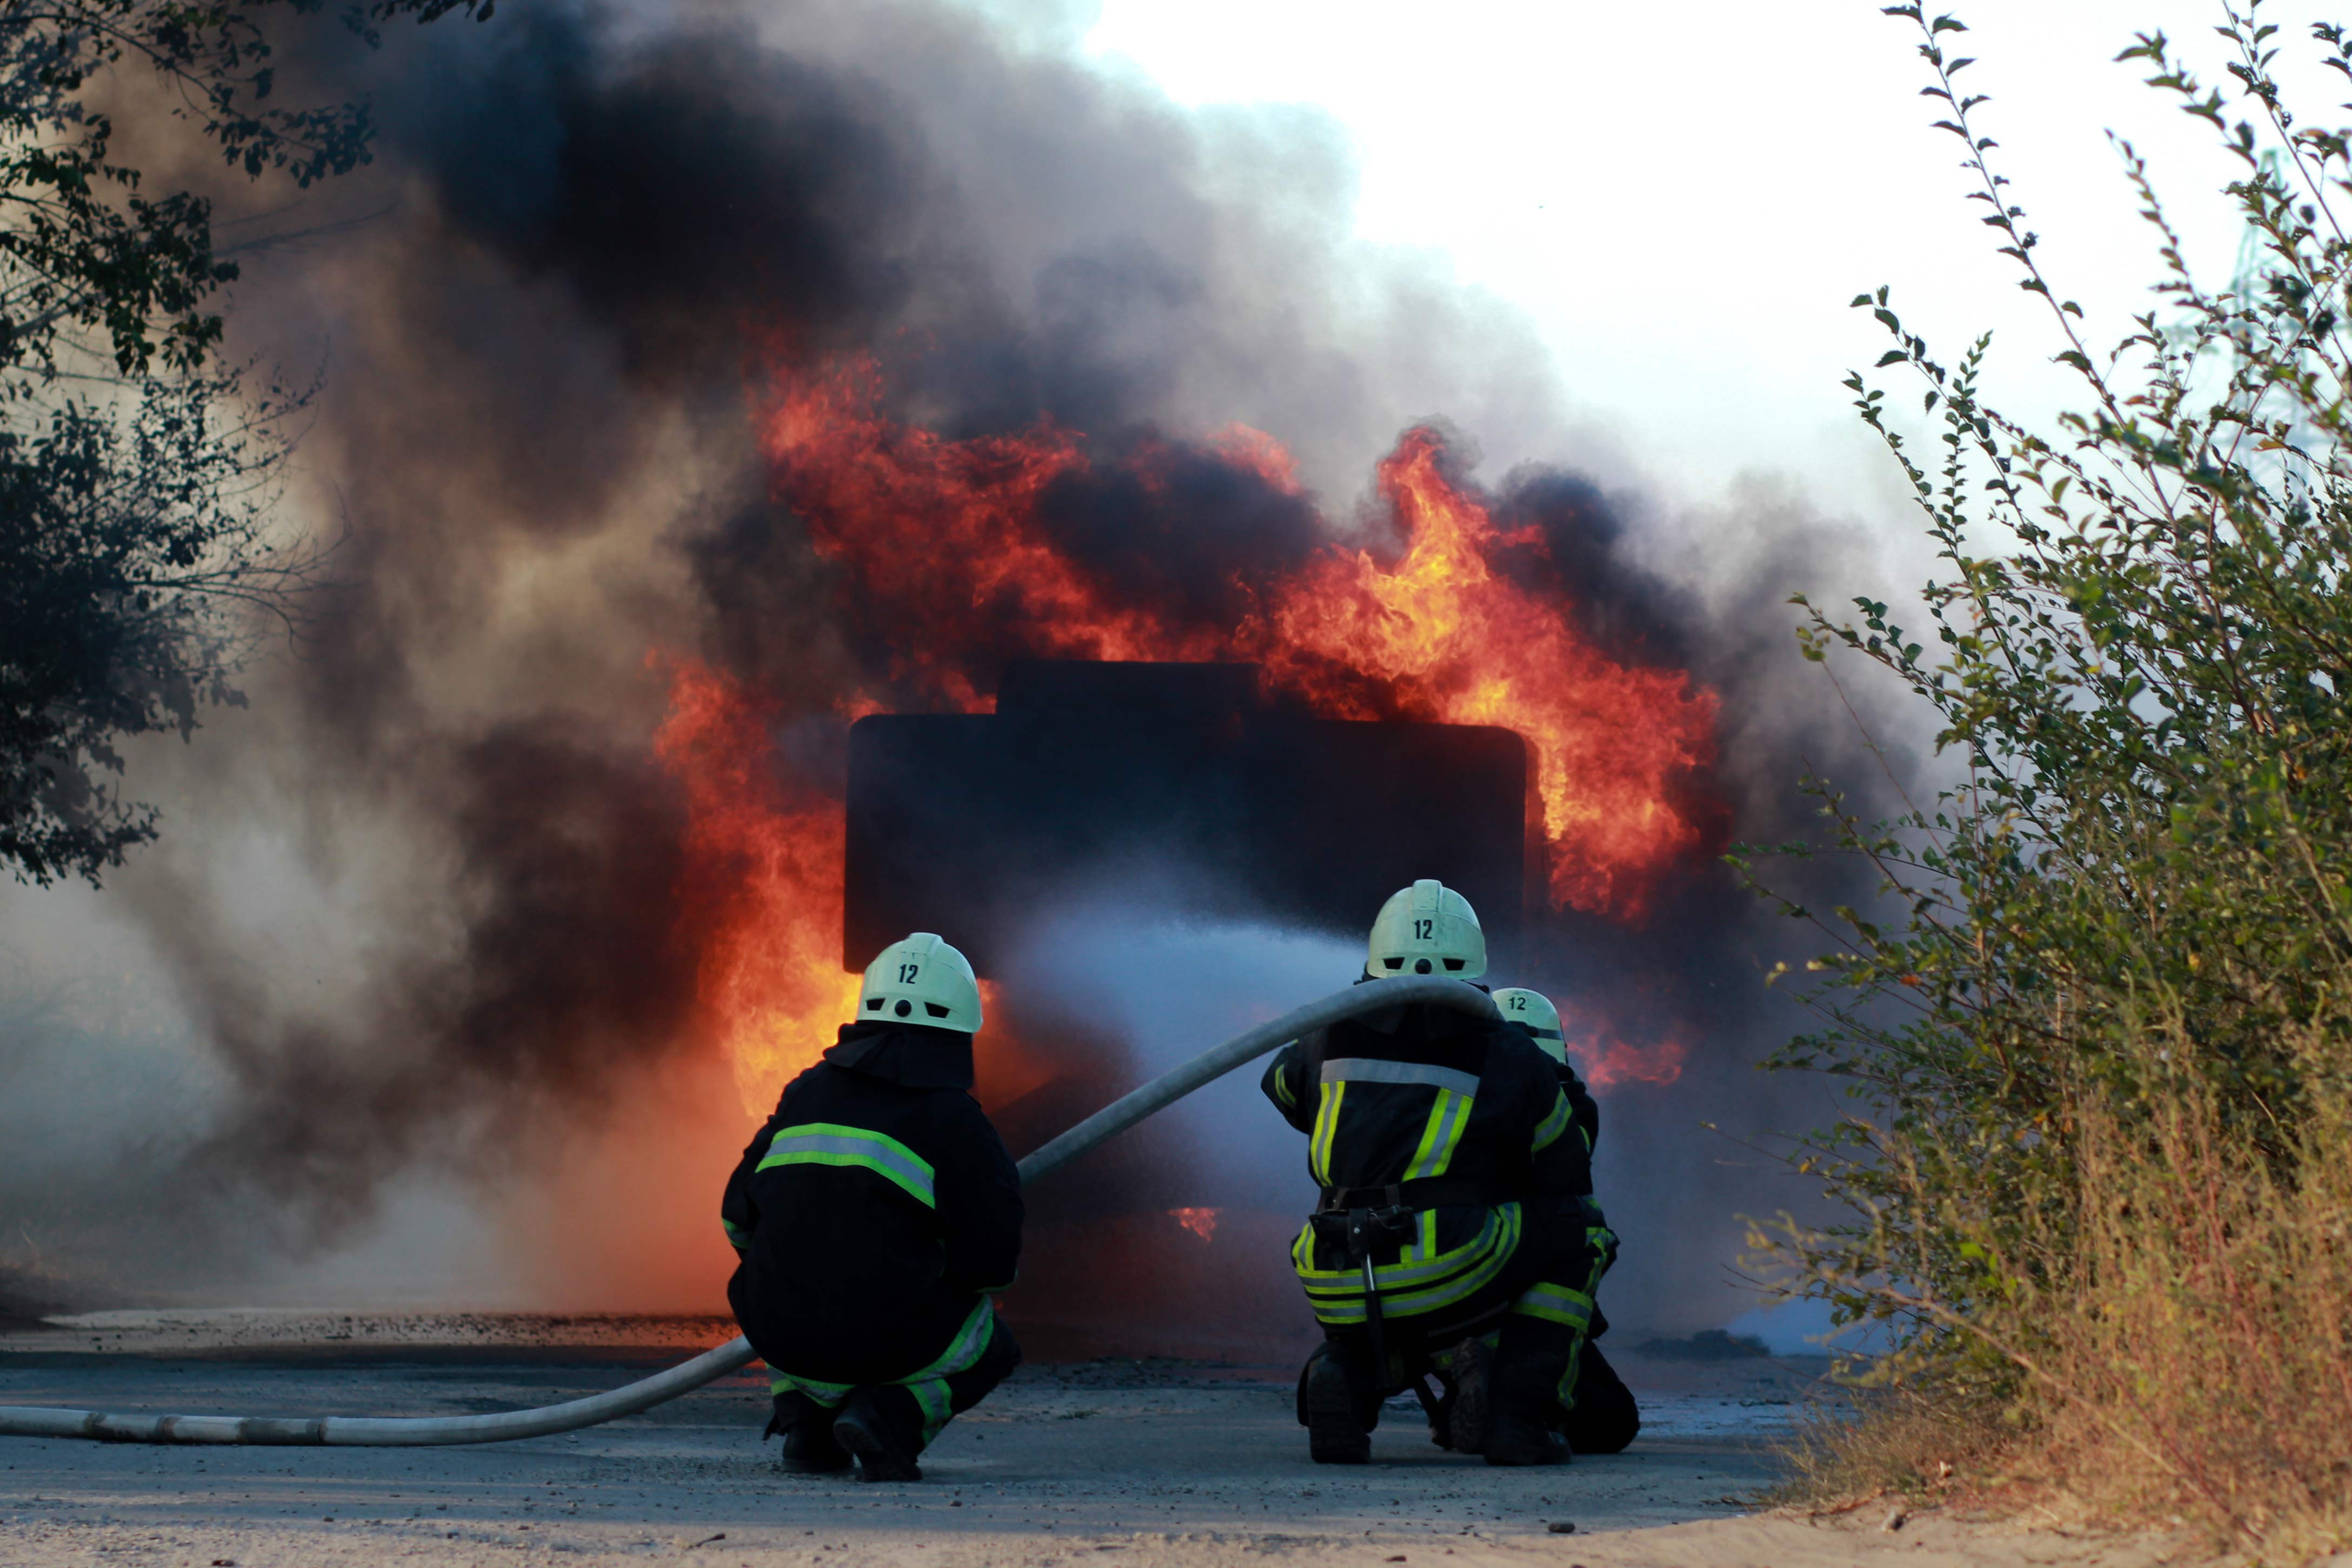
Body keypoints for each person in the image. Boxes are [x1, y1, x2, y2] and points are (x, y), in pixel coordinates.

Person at [1260, 880, 1605, 1466]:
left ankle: (1344, 1370)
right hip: (1448, 1260)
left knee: (1403, 1303)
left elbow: (1287, 1095)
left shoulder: (1321, 1034)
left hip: (1335, 1267)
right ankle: (1518, 1418)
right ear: (1474, 959)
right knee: (1582, 1233)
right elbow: (1564, 1170)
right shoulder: (1510, 1052)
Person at [721, 932, 1023, 1482]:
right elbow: (992, 1260)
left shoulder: (804, 1092)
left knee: (785, 1281)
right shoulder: (954, 1117)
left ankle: (806, 1427)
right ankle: (889, 1419)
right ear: (962, 1026)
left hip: (775, 1328)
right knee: (990, 1343)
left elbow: (736, 1217)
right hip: (883, 1338)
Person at [1490, 987, 1639, 1456]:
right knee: (1611, 1423)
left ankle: (1466, 1390)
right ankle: (1510, 1405)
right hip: (1528, 1286)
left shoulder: (1455, 1093)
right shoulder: (1573, 1108)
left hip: (1450, 1275)